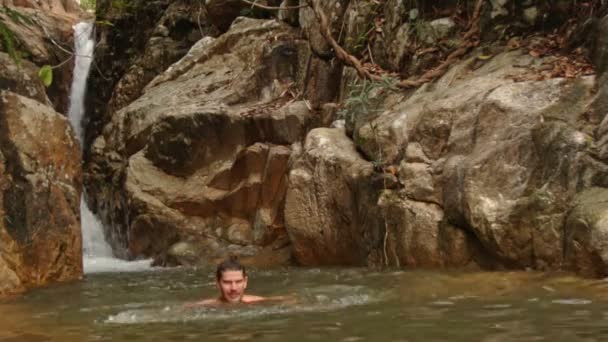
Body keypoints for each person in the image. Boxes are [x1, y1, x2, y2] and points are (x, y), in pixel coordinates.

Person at [186, 256, 293, 307]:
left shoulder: (259, 302)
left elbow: (292, 300)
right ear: (218, 283)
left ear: (245, 282)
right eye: (227, 282)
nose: (233, 288)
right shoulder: (202, 307)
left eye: (238, 282)